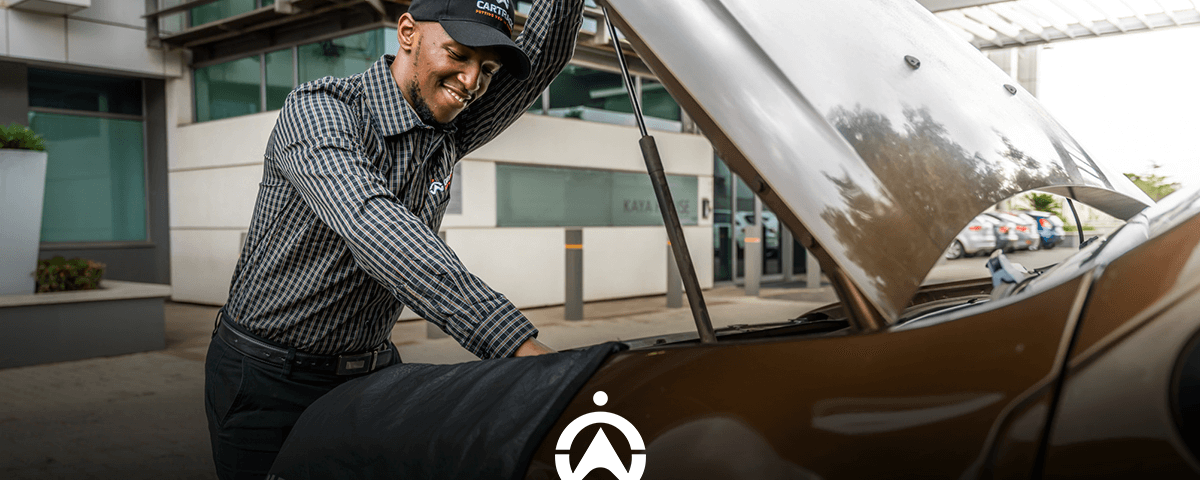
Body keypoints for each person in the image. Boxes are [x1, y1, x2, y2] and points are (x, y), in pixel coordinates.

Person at [203, 0, 583, 477]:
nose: (472, 82)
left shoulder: (448, 127)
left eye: (486, 68)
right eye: (458, 55)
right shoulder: (321, 110)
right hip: (266, 378)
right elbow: (375, 226)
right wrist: (518, 347)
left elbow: (541, 58)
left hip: (370, 370)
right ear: (407, 32)